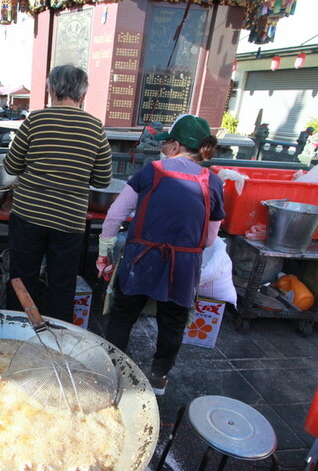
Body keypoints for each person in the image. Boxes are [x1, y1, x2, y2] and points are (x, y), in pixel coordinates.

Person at [96, 114, 224, 395]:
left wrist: (104, 254)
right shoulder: (213, 182)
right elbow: (211, 238)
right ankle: (158, 378)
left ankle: (114, 371)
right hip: (185, 263)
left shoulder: (151, 171)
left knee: (122, 315)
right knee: (173, 323)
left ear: (176, 145)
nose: (163, 148)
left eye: (166, 143)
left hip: (141, 259)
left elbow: (115, 215)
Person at [3, 64, 112, 322]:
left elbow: (11, 166)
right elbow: (103, 179)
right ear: (82, 95)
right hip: (69, 221)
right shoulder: (95, 128)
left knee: (22, 277)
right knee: (62, 283)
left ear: (51, 90)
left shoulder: (35, 120)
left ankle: (18, 331)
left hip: (28, 215)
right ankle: (57, 337)